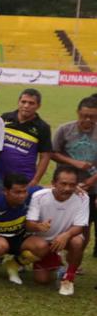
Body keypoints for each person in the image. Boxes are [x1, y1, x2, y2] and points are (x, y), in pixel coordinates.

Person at [23, 166, 89, 296]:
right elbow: (29, 224)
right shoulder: (39, 196)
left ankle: (68, 279)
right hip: (42, 241)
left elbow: (80, 226)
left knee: (77, 241)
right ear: (53, 183)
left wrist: (66, 235)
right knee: (42, 280)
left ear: (77, 185)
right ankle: (57, 266)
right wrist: (38, 227)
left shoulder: (83, 197)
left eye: (72, 185)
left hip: (65, 238)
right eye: (63, 184)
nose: (67, 188)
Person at [51, 96, 97, 256]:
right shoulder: (65, 130)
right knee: (58, 222)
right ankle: (52, 257)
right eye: (84, 115)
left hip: (90, 189)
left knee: (84, 226)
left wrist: (91, 181)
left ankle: (74, 262)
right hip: (65, 186)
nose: (88, 119)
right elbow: (52, 153)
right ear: (78, 112)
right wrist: (74, 162)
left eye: (92, 116)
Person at [0, 88, 51, 191]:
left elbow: (45, 156)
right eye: (23, 102)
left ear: (38, 106)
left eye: (31, 103)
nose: (26, 106)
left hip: (24, 180)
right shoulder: (5, 118)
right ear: (18, 102)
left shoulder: (42, 127)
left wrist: (35, 180)